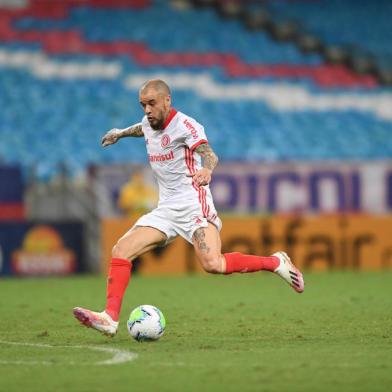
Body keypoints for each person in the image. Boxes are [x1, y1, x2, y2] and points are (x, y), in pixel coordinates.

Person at [73, 79, 304, 336]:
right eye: (143, 105)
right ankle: (110, 318)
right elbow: (141, 128)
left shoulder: (186, 125)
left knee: (213, 264)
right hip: (166, 209)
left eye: (151, 103)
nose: (147, 110)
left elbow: (209, 154)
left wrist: (206, 169)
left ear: (167, 101)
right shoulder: (148, 123)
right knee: (121, 249)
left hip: (194, 203)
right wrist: (120, 133)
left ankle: (275, 262)